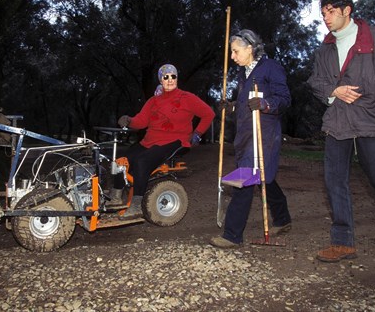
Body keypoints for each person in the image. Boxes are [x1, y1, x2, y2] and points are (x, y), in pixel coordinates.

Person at [307, 0, 375, 262]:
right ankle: (343, 242)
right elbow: (315, 82)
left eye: (331, 12)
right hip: (338, 121)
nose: (326, 18)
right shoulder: (325, 47)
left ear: (347, 10)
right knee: (334, 181)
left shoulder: (374, 39)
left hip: (371, 118)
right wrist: (335, 90)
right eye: (323, 14)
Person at [209, 29, 292, 249]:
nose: (232, 57)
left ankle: (232, 234)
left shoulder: (271, 68)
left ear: (250, 48)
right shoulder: (243, 73)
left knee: (245, 176)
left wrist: (266, 105)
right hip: (245, 133)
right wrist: (233, 106)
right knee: (265, 175)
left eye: (235, 51)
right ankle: (282, 219)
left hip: (264, 133)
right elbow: (246, 102)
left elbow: (284, 99)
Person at [111, 64, 215, 219]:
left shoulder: (187, 98)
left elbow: (209, 114)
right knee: (119, 161)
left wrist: (197, 134)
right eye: (166, 77)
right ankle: (115, 197)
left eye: (173, 76)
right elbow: (141, 121)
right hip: (150, 141)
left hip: (175, 140)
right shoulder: (153, 101)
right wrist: (129, 120)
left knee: (142, 161)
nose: (170, 79)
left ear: (177, 78)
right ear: (160, 79)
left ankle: (136, 206)